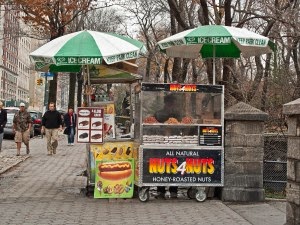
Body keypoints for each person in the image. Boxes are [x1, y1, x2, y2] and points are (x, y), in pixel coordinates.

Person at [154, 94, 182, 198]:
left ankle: (174, 190)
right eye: (171, 103)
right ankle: (161, 190)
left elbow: (183, 126)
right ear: (166, 103)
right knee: (161, 166)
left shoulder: (177, 114)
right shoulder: (160, 114)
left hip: (175, 142)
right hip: (161, 142)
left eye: (173, 103)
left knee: (174, 166)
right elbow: (154, 126)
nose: (172, 105)